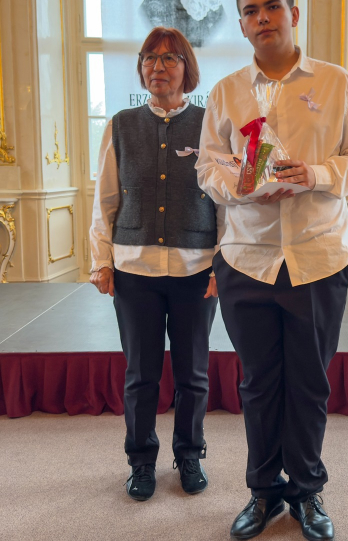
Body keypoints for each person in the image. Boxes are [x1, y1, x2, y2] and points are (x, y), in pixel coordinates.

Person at [195, 0, 348, 541]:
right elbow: (206, 167)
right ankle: (262, 491)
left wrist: (316, 174)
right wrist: (237, 186)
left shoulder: (336, 81)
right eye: (251, 11)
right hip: (246, 259)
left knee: (309, 384)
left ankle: (306, 491)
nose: (262, 18)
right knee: (257, 384)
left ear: (293, 14)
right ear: (242, 23)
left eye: (272, 6)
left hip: (317, 257)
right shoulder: (227, 92)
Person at [89, 26, 219, 502]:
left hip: (196, 269)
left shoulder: (210, 124)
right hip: (134, 270)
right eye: (149, 58)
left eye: (169, 58)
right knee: (141, 375)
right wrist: (101, 260)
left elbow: (226, 201)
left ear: (187, 68)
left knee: (193, 374)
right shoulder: (122, 125)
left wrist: (222, 265)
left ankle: (189, 454)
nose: (157, 67)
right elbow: (106, 198)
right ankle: (141, 461)